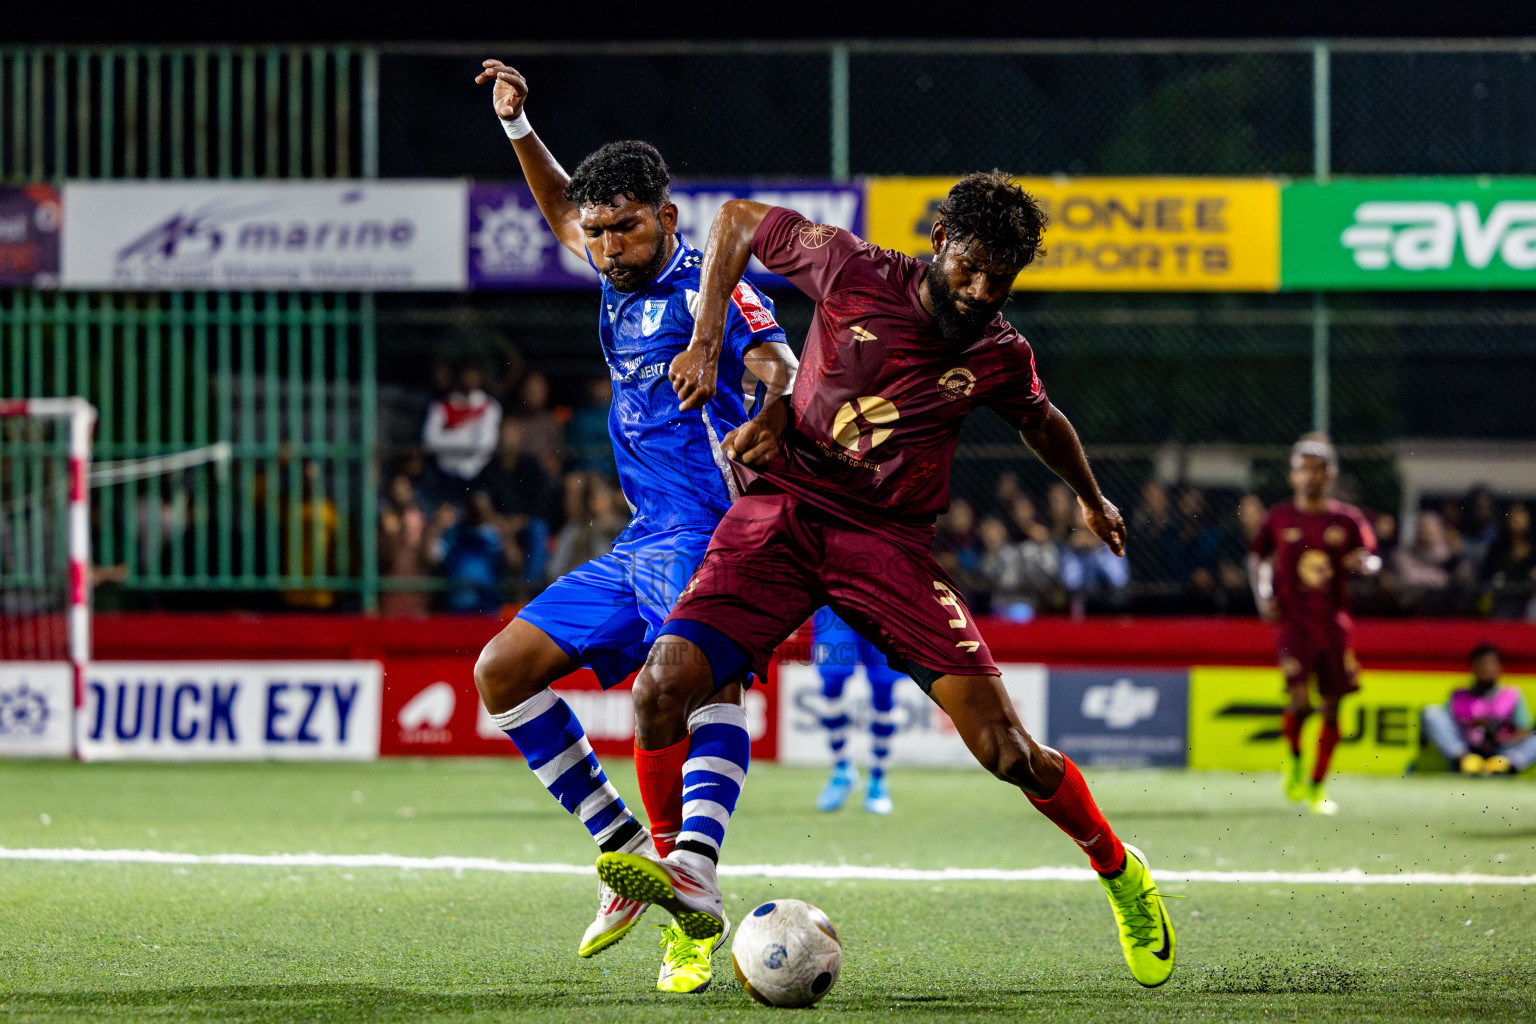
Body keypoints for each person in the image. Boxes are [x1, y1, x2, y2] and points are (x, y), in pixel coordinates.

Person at [596, 174, 1178, 989]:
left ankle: (1121, 871)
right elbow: (733, 221)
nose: (981, 291)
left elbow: (1041, 420)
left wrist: (1091, 497)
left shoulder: (1000, 352)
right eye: (971, 267)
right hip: (787, 512)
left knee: (1007, 752)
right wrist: (702, 338)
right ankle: (687, 895)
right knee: (662, 686)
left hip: (888, 547)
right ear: (940, 241)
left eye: (1000, 277)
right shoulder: (850, 264)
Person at [468, 59, 798, 994]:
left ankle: (691, 898)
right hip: (643, 535)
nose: (605, 243)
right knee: (501, 672)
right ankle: (623, 854)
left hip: (717, 533)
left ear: (668, 217)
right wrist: (519, 127)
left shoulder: (710, 288)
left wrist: (764, 411)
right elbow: (556, 211)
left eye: (624, 226)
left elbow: (780, 359)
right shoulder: (614, 274)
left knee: (692, 694)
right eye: (598, 229)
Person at [1248, 433, 1380, 815]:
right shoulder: (1279, 517)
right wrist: (1263, 595)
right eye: (1303, 469)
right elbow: (1258, 558)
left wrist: (1365, 566)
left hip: (1333, 623)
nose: (1311, 476)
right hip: (1294, 623)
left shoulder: (1347, 519)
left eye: (1318, 469)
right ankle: (1294, 761)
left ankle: (1317, 785)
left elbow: (1371, 557)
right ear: (1292, 475)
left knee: (1334, 706)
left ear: (1331, 474)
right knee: (1301, 702)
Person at [810, 607, 905, 814]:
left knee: (883, 689)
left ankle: (878, 779)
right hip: (834, 600)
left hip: (884, 600)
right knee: (831, 680)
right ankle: (842, 767)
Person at [1421, 644, 1536, 775]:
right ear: (1473, 667)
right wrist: (1473, 724)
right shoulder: (1459, 694)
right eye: (1481, 663)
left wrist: (1499, 736)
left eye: (1491, 663)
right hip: (1467, 749)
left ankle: (1505, 766)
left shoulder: (1512, 694)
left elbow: (1523, 732)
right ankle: (1464, 762)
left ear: (1499, 667)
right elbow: (1447, 728)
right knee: (1431, 713)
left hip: (1502, 751)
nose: (1486, 668)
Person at [421, 360, 502, 507]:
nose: (469, 379)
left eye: (474, 375)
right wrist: (467, 439)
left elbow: (485, 444)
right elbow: (430, 442)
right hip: (445, 474)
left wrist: (450, 436)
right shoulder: (440, 406)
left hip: (479, 475)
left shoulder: (490, 406)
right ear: (457, 377)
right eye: (466, 374)